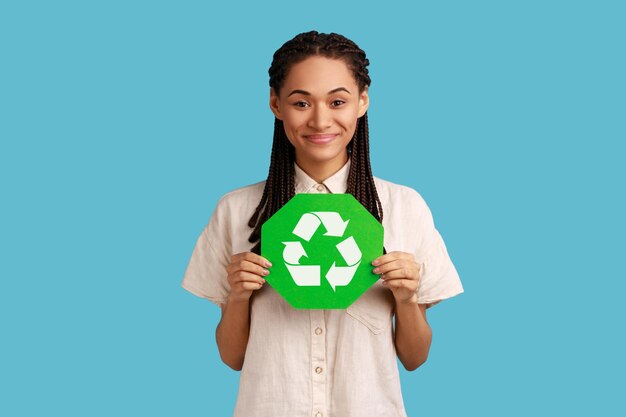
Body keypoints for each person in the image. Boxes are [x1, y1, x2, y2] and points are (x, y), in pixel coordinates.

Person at [181, 30, 464, 417]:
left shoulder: (404, 207)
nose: (320, 120)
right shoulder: (237, 210)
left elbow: (415, 359)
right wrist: (239, 296)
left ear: (362, 103)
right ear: (275, 105)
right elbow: (232, 358)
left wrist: (407, 298)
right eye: (301, 102)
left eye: (337, 101)